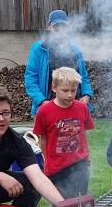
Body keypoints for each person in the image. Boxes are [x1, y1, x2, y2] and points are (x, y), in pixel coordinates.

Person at [33, 67, 95, 199]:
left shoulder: (82, 108)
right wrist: (47, 160)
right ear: (54, 88)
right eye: (65, 90)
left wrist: (86, 156)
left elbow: (83, 133)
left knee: (81, 202)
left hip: (80, 165)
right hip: (57, 167)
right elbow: (42, 139)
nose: (70, 95)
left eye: (73, 90)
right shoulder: (44, 111)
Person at [24, 10, 93, 117]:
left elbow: (83, 77)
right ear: (49, 26)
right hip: (47, 108)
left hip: (74, 107)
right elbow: (30, 79)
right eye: (56, 27)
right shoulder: (38, 49)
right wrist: (41, 101)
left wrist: (87, 95)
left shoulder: (75, 50)